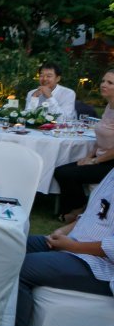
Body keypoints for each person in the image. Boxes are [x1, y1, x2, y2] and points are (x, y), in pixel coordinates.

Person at [12, 171, 114, 326]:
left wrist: (74, 246)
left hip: (100, 267)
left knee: (20, 267)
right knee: (7, 246)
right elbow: (95, 212)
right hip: (76, 244)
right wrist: (64, 231)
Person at [53, 69, 114, 221]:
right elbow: (101, 140)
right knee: (61, 170)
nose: (103, 85)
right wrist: (88, 157)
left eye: (110, 83)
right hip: (101, 157)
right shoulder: (109, 107)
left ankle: (76, 211)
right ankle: (79, 207)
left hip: (110, 163)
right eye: (103, 81)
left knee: (69, 174)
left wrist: (94, 161)